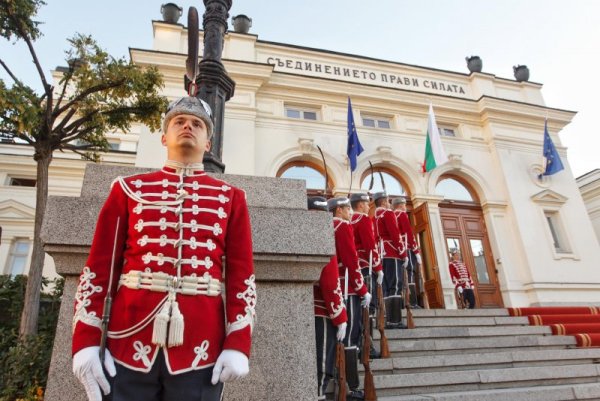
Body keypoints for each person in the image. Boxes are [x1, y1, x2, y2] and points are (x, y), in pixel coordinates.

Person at [71, 96, 256, 401]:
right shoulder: (127, 189)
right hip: (127, 340)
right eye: (179, 122)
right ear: (163, 137)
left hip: (200, 346)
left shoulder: (231, 198)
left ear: (208, 143)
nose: (188, 126)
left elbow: (241, 278)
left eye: (197, 124)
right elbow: (98, 269)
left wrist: (238, 343)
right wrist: (86, 340)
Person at [328, 196, 371, 401]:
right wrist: (362, 289)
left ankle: (338, 378)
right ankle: (351, 385)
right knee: (351, 338)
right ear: (338, 210)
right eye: (346, 208)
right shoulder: (342, 226)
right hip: (347, 288)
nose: (349, 212)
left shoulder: (327, 226)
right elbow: (351, 260)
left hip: (335, 287)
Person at [308, 197, 348, 400]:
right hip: (322, 309)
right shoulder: (322, 233)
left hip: (307, 308)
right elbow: (330, 280)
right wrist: (339, 315)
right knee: (322, 365)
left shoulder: (304, 232)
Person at [350, 192, 382, 358]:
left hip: (355, 269)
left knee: (357, 309)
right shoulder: (363, 219)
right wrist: (378, 267)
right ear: (360, 205)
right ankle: (366, 346)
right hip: (365, 267)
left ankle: (359, 345)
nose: (369, 205)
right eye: (367, 203)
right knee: (367, 310)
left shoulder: (349, 220)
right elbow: (370, 245)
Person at [373, 191, 407, 329]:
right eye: (387, 201)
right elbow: (395, 233)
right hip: (392, 252)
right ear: (383, 202)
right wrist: (403, 253)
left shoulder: (374, 216)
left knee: (387, 287)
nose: (389, 204)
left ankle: (387, 318)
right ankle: (394, 320)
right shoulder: (387, 214)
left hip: (381, 253)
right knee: (395, 286)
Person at [391, 197, 422, 308]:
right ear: (400, 205)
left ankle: (404, 301)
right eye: (404, 204)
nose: (405, 207)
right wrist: (416, 250)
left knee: (401, 275)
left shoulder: (392, 215)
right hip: (406, 248)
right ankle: (412, 302)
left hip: (397, 250)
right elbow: (408, 233)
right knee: (410, 274)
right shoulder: (402, 215)